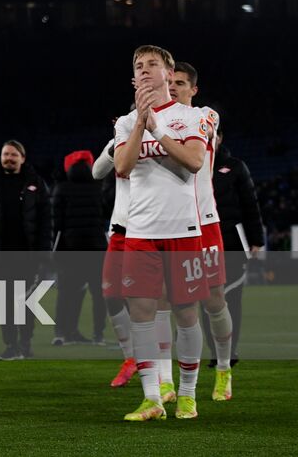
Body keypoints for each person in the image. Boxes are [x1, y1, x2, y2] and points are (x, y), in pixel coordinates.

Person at [111, 45, 208, 422]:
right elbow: (122, 166)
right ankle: (152, 398)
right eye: (139, 65)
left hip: (183, 229)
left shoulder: (191, 115)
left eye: (153, 63)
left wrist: (157, 130)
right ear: (134, 79)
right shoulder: (123, 122)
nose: (146, 69)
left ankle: (187, 395)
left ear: (169, 73)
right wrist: (139, 122)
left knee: (186, 313)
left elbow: (195, 162)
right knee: (141, 313)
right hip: (140, 230)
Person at [168, 62, 235, 401]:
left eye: (180, 82)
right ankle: (175, 384)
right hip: (172, 224)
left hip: (205, 221)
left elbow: (197, 142)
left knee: (214, 300)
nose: (174, 87)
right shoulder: (154, 120)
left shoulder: (205, 115)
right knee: (178, 306)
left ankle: (223, 369)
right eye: (170, 82)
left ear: (193, 88)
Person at [0, 139, 51, 360]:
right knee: (5, 305)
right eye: (6, 154)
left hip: (28, 256)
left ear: (22, 158)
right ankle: (10, 345)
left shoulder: (36, 183)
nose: (9, 158)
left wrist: (44, 254)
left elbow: (46, 221)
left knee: (27, 303)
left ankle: (25, 343)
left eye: (14, 154)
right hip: (0, 257)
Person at [205, 128, 263, 370]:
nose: (209, 139)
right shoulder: (192, 164)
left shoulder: (236, 167)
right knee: (206, 300)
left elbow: (250, 202)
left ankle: (230, 350)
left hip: (232, 241)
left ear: (220, 138)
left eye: (213, 135)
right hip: (202, 242)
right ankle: (215, 352)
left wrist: (256, 239)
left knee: (232, 298)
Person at [93, 118, 137, 387]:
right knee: (111, 293)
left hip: (149, 230)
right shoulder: (117, 142)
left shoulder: (161, 142)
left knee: (148, 300)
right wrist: (114, 148)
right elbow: (97, 172)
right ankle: (130, 358)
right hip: (120, 230)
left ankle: (157, 364)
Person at [50, 149, 107, 346]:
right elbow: (106, 213)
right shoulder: (99, 186)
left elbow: (56, 223)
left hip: (70, 250)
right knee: (99, 295)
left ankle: (62, 333)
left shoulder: (62, 188)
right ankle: (98, 335)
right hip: (97, 249)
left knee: (67, 293)